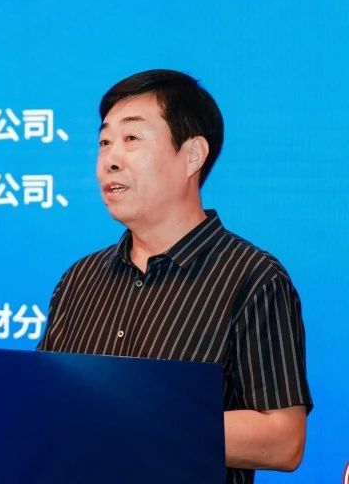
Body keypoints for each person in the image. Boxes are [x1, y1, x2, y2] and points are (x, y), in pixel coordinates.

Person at [38, 69, 312, 483]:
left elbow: (283, 439)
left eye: (132, 138)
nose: (110, 159)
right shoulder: (80, 279)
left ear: (193, 155)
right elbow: (46, 405)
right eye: (104, 142)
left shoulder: (252, 277)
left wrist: (134, 417)